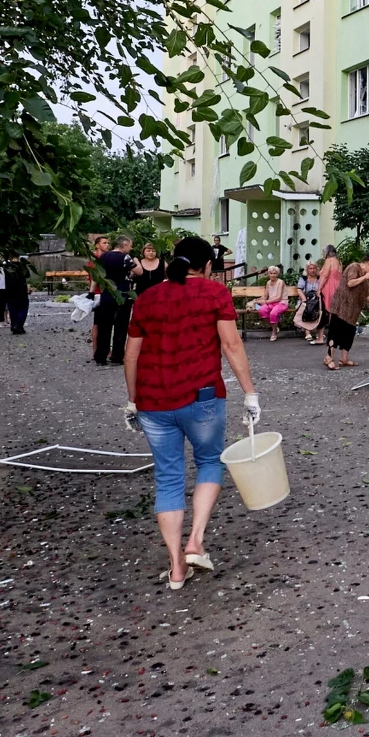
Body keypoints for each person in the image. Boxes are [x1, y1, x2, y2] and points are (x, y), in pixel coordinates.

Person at [122, 236, 261, 589]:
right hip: (202, 398)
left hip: (153, 403)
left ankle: (176, 568)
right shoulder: (215, 293)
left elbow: (131, 355)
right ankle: (196, 541)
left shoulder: (147, 298)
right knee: (210, 462)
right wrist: (250, 393)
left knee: (168, 478)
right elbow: (231, 344)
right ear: (208, 265)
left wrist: (133, 400)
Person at [324, 253, 369, 369]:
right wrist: (364, 278)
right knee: (335, 333)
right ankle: (328, 357)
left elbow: (366, 296)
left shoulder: (365, 279)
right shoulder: (354, 267)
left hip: (352, 311)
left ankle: (344, 358)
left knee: (349, 334)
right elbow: (350, 283)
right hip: (341, 307)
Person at [93, 235, 142, 366]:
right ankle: (117, 356)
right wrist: (136, 261)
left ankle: (101, 356)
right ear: (124, 245)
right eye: (130, 246)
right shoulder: (125, 257)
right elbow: (139, 271)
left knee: (104, 326)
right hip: (122, 294)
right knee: (121, 326)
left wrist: (91, 292)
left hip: (107, 294)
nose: (130, 249)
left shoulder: (104, 257)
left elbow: (97, 275)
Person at [256, 265, 289, 342]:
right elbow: (265, 296)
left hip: (281, 303)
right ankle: (274, 326)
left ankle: (274, 332)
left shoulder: (280, 282)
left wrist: (266, 302)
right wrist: (258, 300)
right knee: (261, 310)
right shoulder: (268, 282)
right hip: (271, 303)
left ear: (277, 274)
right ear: (268, 274)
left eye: (274, 273)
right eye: (271, 273)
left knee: (273, 313)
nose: (272, 275)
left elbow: (278, 297)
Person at [296, 261, 324, 344]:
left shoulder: (320, 278)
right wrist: (304, 299)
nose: (312, 270)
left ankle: (318, 332)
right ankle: (307, 332)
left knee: (320, 310)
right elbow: (299, 289)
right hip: (306, 299)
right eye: (310, 268)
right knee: (307, 309)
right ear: (307, 270)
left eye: (314, 268)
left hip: (316, 299)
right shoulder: (303, 279)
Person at [2, 255, 30, 335]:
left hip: (10, 290)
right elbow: (27, 275)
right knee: (23, 308)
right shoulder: (22, 266)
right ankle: (18, 325)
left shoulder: (6, 266)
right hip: (21, 290)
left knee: (12, 309)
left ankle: (14, 325)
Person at [316, 244, 342, 313]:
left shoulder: (329, 260)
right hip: (338, 286)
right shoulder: (339, 262)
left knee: (328, 308)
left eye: (324, 252)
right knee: (336, 308)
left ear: (327, 252)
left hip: (329, 286)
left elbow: (325, 275)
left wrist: (319, 289)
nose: (323, 254)